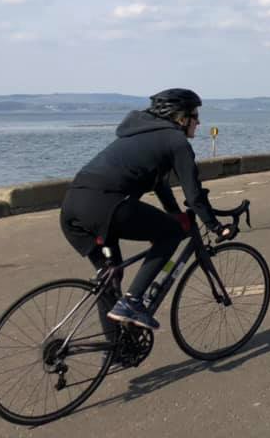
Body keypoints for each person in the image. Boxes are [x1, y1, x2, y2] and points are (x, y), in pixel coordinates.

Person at [59, 89, 234, 331]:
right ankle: (132, 302)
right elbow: (194, 195)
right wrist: (216, 226)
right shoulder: (176, 141)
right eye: (195, 115)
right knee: (171, 234)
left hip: (72, 206)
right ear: (181, 118)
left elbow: (159, 184)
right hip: (105, 205)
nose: (199, 121)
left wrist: (174, 212)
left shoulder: (140, 133)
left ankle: (118, 350)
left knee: (110, 277)